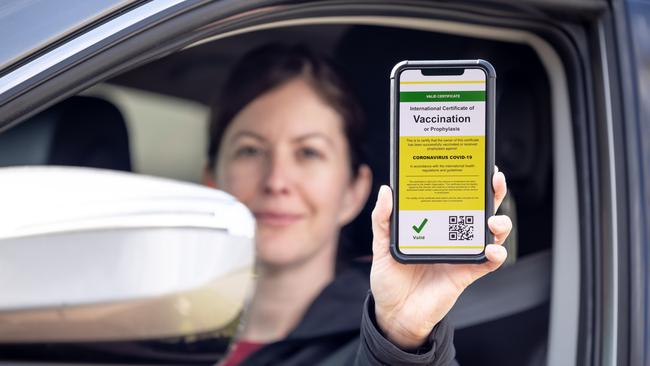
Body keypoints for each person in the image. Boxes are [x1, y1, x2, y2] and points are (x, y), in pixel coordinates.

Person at [203, 44, 512, 365]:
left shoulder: (385, 339)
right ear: (211, 180)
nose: (276, 181)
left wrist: (402, 341)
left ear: (354, 190)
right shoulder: (157, 326)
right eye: (250, 150)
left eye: (309, 152)